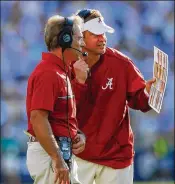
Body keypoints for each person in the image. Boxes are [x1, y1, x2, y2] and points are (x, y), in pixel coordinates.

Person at [71, 9, 156, 184]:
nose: (102, 38)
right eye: (95, 34)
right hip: (79, 156)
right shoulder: (66, 64)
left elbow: (142, 103)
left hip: (116, 158)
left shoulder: (122, 64)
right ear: (80, 37)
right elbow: (63, 112)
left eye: (103, 33)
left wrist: (148, 93)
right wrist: (79, 83)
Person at [25, 14, 89, 184]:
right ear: (65, 39)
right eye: (79, 38)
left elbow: (62, 119)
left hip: (58, 153)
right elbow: (38, 118)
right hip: (51, 156)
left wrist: (78, 135)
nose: (82, 43)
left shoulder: (62, 72)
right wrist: (58, 159)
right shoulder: (49, 73)